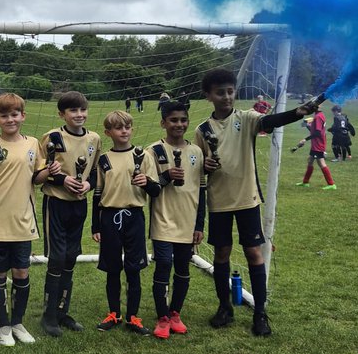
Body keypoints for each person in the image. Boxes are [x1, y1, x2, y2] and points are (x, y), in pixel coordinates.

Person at [195, 68, 318, 337]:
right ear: (208, 96)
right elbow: (198, 167)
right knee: (221, 254)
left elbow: (270, 121)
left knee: (253, 253)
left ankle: (260, 312)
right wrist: (205, 164)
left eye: (230, 91)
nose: (226, 97)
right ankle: (224, 307)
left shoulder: (248, 118)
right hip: (219, 202)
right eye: (220, 93)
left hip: (247, 199)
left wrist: (297, 112)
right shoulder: (202, 130)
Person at [0, 93, 44, 346]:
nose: (10, 119)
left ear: (23, 116)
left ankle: (17, 322)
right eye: (5, 115)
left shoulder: (33, 143)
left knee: (21, 271)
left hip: (23, 218)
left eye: (15, 114)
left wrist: (48, 172)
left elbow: (36, 178)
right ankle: (3, 326)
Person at [37, 91, 101, 337]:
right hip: (56, 203)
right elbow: (42, 171)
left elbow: (94, 172)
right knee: (57, 257)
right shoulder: (52, 137)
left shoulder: (94, 138)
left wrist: (88, 185)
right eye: (73, 111)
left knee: (72, 256)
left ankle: (63, 312)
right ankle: (49, 315)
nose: (79, 115)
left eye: (82, 110)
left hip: (79, 205)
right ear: (62, 114)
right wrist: (63, 180)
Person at [92, 111, 160, 334]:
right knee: (113, 269)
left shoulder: (144, 155)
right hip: (110, 217)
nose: (124, 131)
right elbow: (97, 194)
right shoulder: (104, 159)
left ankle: (133, 317)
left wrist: (146, 182)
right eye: (119, 127)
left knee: (133, 269)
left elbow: (156, 190)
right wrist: (95, 225)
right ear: (108, 132)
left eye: (127, 127)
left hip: (134, 217)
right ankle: (114, 314)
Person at [147, 100, 206, 339]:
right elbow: (150, 189)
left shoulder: (196, 152)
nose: (178, 124)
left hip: (188, 221)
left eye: (183, 120)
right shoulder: (153, 151)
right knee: (163, 264)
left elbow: (202, 190)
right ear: (163, 123)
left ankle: (175, 313)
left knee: (183, 268)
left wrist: (199, 224)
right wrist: (166, 176)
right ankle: (162, 317)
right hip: (162, 220)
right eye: (173, 120)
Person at [293, 106, 336, 190]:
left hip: (318, 145)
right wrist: (307, 126)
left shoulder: (318, 117)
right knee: (310, 161)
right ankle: (305, 182)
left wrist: (305, 139)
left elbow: (317, 133)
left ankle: (331, 184)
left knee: (321, 163)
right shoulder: (318, 115)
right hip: (316, 144)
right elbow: (316, 130)